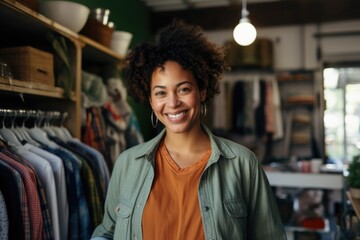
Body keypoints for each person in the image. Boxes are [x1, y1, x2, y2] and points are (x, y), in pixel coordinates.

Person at [91, 19, 286, 240]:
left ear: (202, 91)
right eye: (161, 93)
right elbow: (107, 232)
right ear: (150, 100)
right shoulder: (127, 164)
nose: (172, 103)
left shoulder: (243, 164)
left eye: (183, 89)